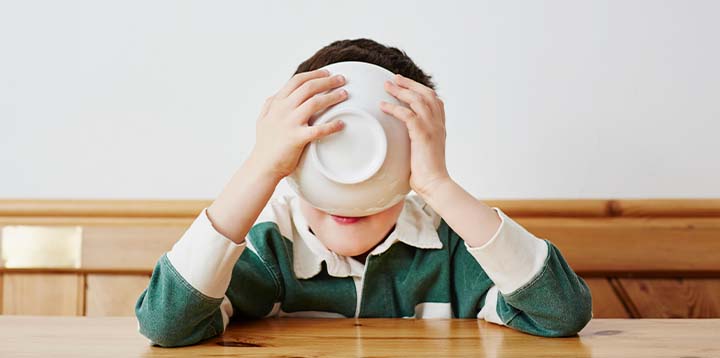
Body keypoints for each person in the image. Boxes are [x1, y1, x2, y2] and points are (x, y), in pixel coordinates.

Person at [135, 38, 592, 347]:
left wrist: (438, 184)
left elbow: (561, 313)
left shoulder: (453, 250)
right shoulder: (270, 248)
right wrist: (260, 166)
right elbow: (165, 323)